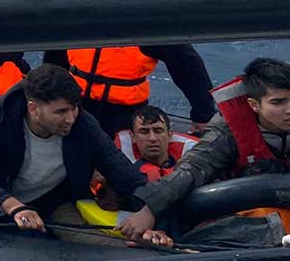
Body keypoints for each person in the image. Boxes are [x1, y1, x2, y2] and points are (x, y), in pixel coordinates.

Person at [0, 64, 165, 243]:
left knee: (108, 245)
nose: (70, 118)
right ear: (34, 109)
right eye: (61, 111)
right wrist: (13, 206)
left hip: (52, 201)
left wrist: (150, 213)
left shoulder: (84, 126)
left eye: (74, 108)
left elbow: (124, 173)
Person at [119, 58, 290, 241]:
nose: (289, 110)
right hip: (244, 213)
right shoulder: (227, 129)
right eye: (277, 102)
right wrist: (150, 210)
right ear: (254, 104)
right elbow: (193, 168)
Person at [44, 0, 215, 135]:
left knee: (120, 150)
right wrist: (49, 96)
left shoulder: (149, 22)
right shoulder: (77, 14)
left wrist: (203, 114)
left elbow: (188, 67)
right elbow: (55, 57)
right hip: (76, 104)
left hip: (125, 113)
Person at [115, 105, 198, 182]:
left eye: (158, 131)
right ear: (133, 137)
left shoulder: (194, 156)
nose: (152, 138)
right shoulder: (118, 167)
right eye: (144, 132)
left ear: (169, 135)